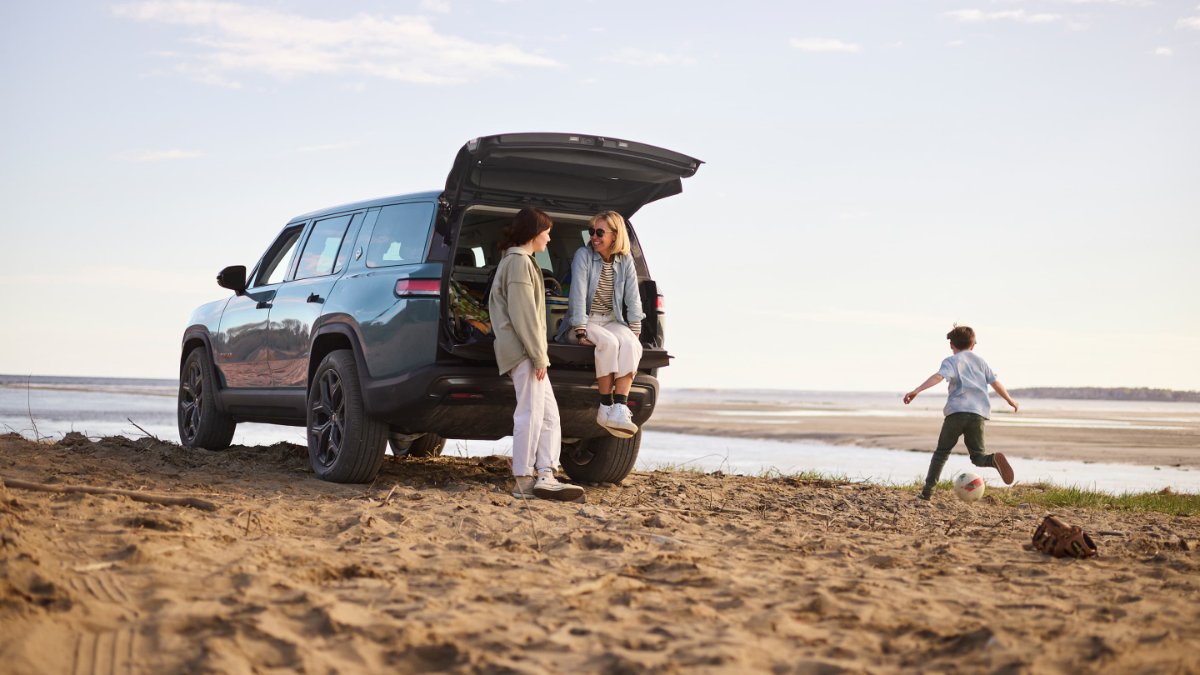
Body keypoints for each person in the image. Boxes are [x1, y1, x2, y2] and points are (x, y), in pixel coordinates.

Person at [489, 207, 584, 501]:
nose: (549, 238)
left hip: (529, 351)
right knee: (529, 415)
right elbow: (524, 316)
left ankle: (546, 474)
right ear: (533, 233)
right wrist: (538, 356)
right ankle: (523, 479)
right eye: (547, 232)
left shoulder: (522, 261)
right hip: (524, 352)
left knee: (549, 416)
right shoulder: (518, 263)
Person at [903, 325, 1019, 501]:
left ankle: (927, 493)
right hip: (978, 415)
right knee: (978, 457)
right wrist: (1010, 400)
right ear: (973, 344)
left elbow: (938, 377)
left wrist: (917, 390)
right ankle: (993, 459)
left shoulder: (951, 361)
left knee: (941, 453)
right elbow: (995, 383)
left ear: (951, 344)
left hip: (956, 413)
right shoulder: (981, 362)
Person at [558, 211, 645, 438]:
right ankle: (605, 406)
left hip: (611, 319)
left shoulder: (625, 260)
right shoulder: (583, 255)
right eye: (592, 232)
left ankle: (619, 408)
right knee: (609, 343)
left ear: (615, 235)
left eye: (599, 232)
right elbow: (577, 293)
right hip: (585, 320)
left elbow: (633, 297)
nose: (594, 237)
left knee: (631, 345)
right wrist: (580, 329)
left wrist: (635, 329)